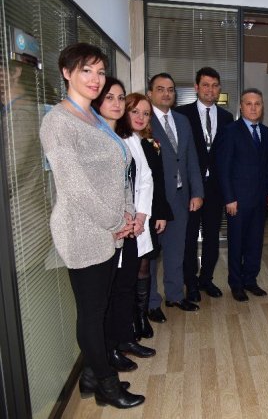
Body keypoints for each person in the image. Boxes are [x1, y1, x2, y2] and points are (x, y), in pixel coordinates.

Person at [39, 43, 143, 408]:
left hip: (110, 230)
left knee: (101, 307)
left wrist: (127, 213)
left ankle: (89, 377)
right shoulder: (58, 122)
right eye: (86, 70)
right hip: (82, 231)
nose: (95, 79)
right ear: (66, 72)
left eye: (100, 72)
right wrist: (116, 221)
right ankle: (107, 387)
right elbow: (74, 186)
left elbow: (120, 171)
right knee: (92, 313)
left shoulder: (95, 118)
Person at [93, 78, 156, 372]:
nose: (117, 104)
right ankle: (111, 348)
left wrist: (140, 216)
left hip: (132, 226)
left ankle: (126, 338)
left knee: (126, 286)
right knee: (111, 292)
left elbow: (144, 179)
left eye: (120, 99)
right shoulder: (99, 136)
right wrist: (124, 219)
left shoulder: (131, 139)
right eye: (111, 98)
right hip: (113, 228)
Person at [146, 73, 204, 322]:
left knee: (176, 251)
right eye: (160, 89)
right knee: (150, 256)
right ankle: (151, 302)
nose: (166, 93)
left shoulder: (182, 120)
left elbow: (191, 159)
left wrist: (197, 192)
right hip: (153, 200)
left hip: (181, 197)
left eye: (170, 89)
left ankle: (175, 295)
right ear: (150, 94)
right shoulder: (143, 120)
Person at [174, 67, 233, 301]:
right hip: (190, 188)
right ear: (196, 87)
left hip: (215, 189)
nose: (210, 90)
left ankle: (206, 279)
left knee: (212, 237)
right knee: (189, 238)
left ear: (219, 89)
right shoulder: (181, 114)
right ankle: (190, 282)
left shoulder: (227, 117)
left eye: (215, 85)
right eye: (206, 85)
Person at [217, 88, 268, 302]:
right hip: (238, 200)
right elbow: (223, 168)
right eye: (248, 104)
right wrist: (229, 198)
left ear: (262, 107)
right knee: (237, 243)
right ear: (241, 107)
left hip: (260, 199)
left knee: (255, 242)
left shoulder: (266, 132)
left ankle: (250, 280)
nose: (253, 108)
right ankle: (236, 284)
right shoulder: (230, 131)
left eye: (257, 104)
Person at [127, 93, 173, 340]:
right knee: (129, 270)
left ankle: (142, 316)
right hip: (126, 217)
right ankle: (130, 320)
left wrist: (161, 214)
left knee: (145, 265)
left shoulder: (149, 144)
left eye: (146, 113)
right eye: (135, 111)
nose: (140, 117)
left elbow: (158, 182)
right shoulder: (119, 141)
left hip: (147, 214)